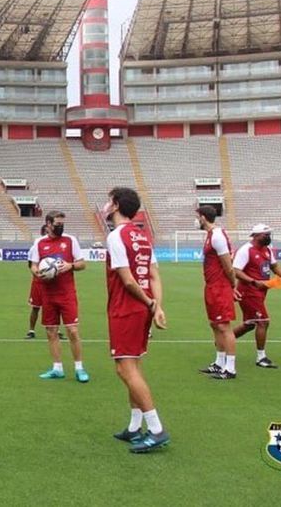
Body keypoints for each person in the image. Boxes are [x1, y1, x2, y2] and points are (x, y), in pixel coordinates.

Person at [104, 187, 169, 453]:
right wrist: (156, 306)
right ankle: (134, 427)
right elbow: (153, 275)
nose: (106, 206)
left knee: (125, 369)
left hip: (126, 308)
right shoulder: (142, 236)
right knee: (134, 365)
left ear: (116, 205)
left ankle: (156, 429)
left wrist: (151, 304)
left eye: (109, 201)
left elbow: (128, 280)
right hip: (142, 309)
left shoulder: (116, 236)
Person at [28, 211, 88, 382]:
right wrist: (38, 273)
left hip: (67, 294)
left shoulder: (70, 240)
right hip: (48, 294)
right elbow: (33, 265)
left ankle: (79, 368)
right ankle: (57, 368)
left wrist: (70, 265)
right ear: (48, 224)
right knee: (51, 331)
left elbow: (82, 263)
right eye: (57, 224)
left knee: (73, 331)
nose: (60, 227)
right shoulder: (39, 243)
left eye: (62, 224)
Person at [232, 224, 281, 369]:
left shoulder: (267, 250)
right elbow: (236, 270)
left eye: (269, 234)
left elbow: (273, 266)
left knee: (250, 324)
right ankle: (261, 357)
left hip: (261, 291)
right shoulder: (246, 250)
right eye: (266, 234)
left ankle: (225, 340)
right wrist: (253, 281)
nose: (269, 237)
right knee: (263, 321)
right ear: (256, 235)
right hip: (248, 291)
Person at [196, 206, 241, 380]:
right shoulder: (211, 235)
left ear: (203, 217)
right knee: (215, 324)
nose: (197, 220)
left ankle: (230, 368)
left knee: (224, 326)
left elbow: (228, 266)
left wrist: (232, 286)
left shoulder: (217, 236)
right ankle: (219, 362)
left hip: (220, 287)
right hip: (212, 286)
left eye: (198, 217)